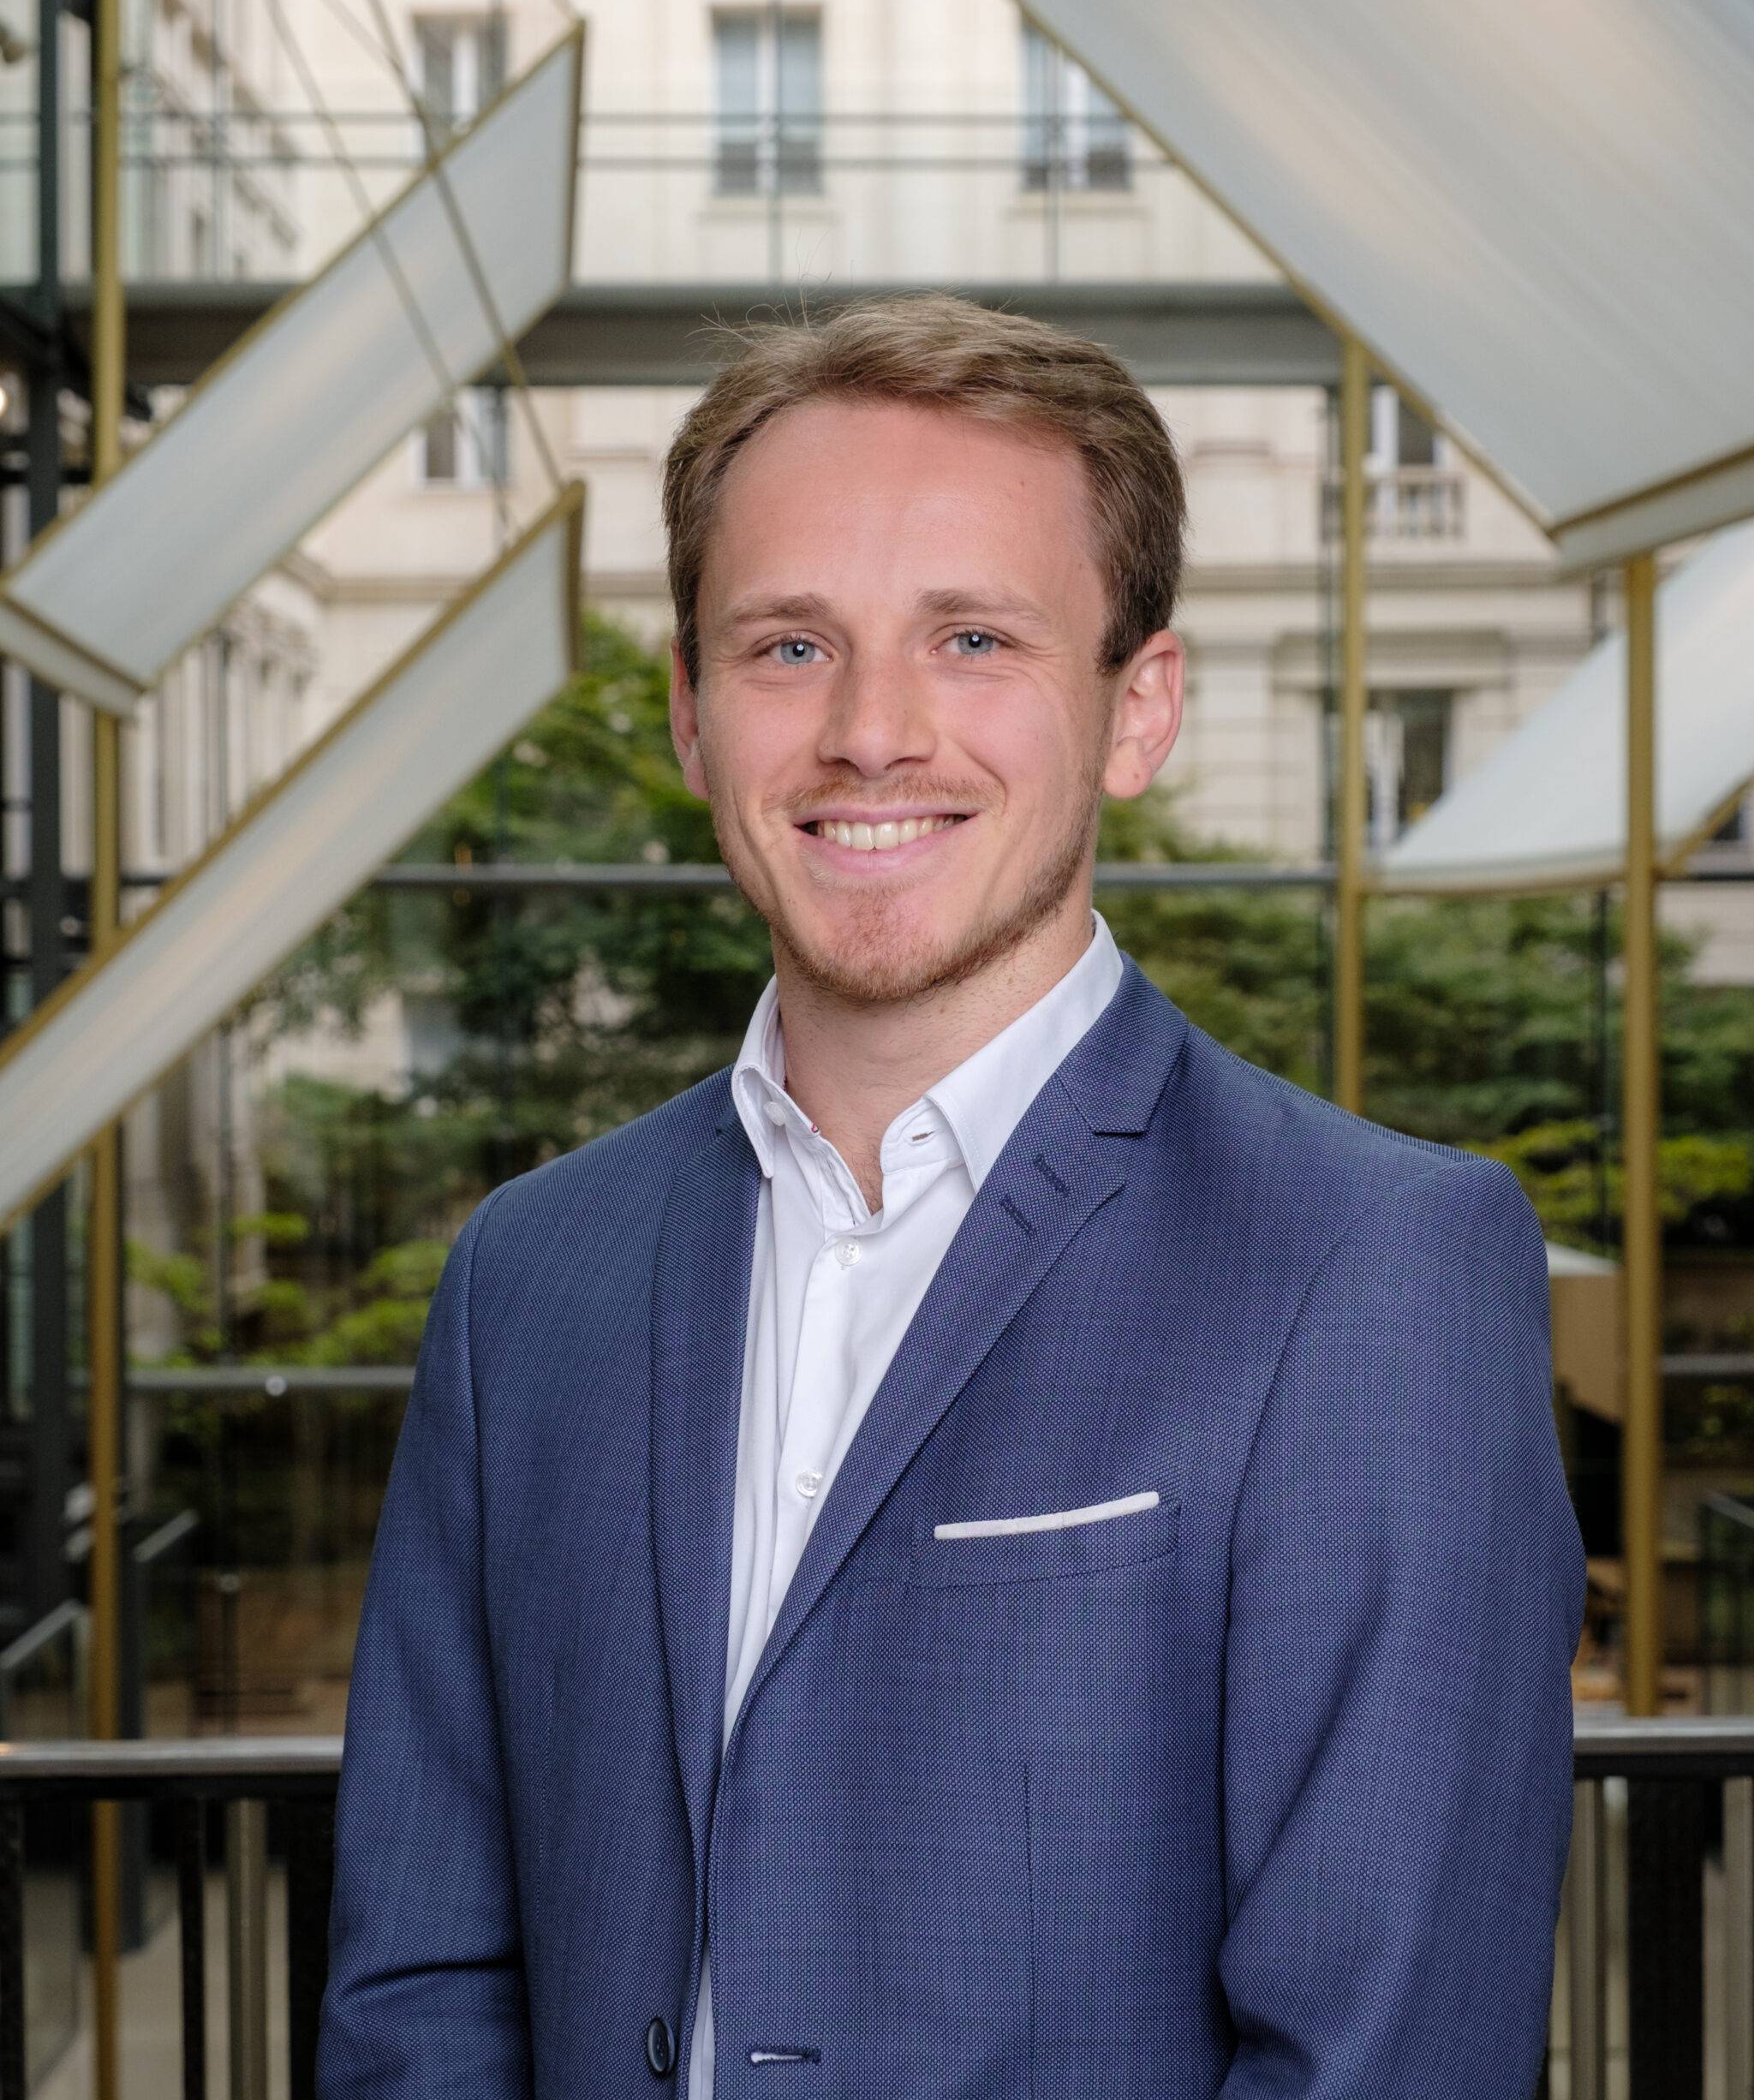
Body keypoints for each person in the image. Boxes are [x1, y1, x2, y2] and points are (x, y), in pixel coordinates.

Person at [317, 294, 1585, 2098]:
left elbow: (1385, 2057)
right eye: (787, 646)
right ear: (690, 715)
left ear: (1137, 708)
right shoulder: (529, 1277)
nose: (871, 732)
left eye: (973, 638)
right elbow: (424, 1981)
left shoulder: (1376, 1268)